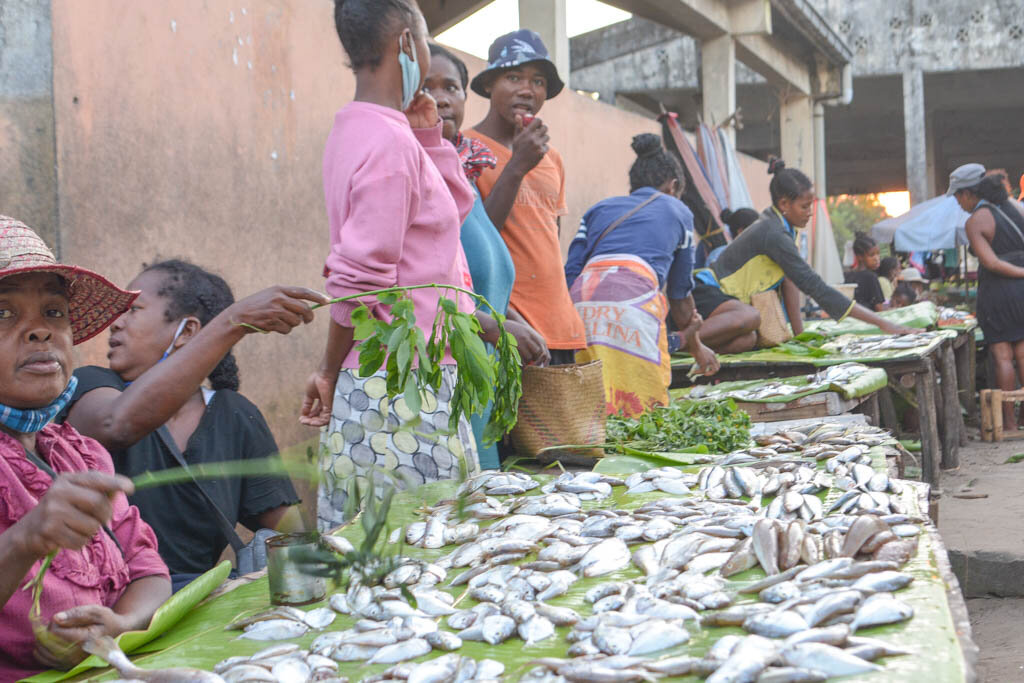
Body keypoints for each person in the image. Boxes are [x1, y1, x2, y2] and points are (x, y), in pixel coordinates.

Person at [303, 0, 522, 529]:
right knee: (420, 553)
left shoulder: (365, 129)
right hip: (398, 390)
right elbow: (359, 285)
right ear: (406, 44)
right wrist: (327, 372)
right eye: (424, 42)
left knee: (407, 558)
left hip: (405, 380)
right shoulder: (387, 143)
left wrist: (431, 140)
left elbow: (443, 222)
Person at [61, 261, 320, 591]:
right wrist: (232, 322)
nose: (117, 323)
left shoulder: (234, 415)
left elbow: (292, 534)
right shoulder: (91, 386)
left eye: (133, 310)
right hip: (107, 601)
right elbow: (116, 425)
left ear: (186, 331)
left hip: (195, 604)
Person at [0, 217, 169, 679]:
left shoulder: (78, 453)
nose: (40, 332)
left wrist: (118, 625)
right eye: (3, 314)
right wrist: (24, 539)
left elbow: (148, 569)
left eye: (54, 312)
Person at [423, 43, 549, 469]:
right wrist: (498, 325)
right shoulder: (414, 175)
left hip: (479, 384)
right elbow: (413, 294)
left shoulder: (462, 174)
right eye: (427, 87)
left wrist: (512, 321)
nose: (441, 99)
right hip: (439, 385)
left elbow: (478, 273)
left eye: (451, 87)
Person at [564, 134, 719, 416]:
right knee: (643, 409)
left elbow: (571, 272)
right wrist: (696, 346)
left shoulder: (598, 209)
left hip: (581, 302)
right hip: (634, 302)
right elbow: (680, 295)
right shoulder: (679, 211)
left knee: (591, 399)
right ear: (673, 186)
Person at [692, 157, 913, 351]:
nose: (809, 213)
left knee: (747, 340)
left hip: (731, 305)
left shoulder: (787, 230)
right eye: (805, 207)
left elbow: (790, 282)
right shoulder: (774, 233)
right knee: (750, 318)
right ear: (784, 204)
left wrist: (799, 337)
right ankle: (681, 340)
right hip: (709, 295)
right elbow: (815, 287)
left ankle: (693, 348)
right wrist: (883, 324)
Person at [468, 30, 587, 365]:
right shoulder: (464, 150)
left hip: (560, 328)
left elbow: (550, 242)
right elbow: (474, 242)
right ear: (490, 83)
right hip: (507, 327)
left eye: (538, 81)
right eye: (513, 76)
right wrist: (516, 166)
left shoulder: (552, 159)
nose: (527, 89)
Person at [951, 163, 1024, 429]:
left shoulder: (976, 220)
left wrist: (1019, 273)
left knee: (1003, 356)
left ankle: (1008, 424)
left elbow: (991, 263)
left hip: (1000, 291)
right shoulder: (1017, 208)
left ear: (969, 194)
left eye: (958, 197)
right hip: (1022, 291)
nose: (958, 203)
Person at [845, 233, 886, 311]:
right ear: (860, 257)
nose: (877, 258)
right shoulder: (871, 277)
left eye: (878, 254)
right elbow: (879, 308)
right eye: (872, 255)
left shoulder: (847, 275)